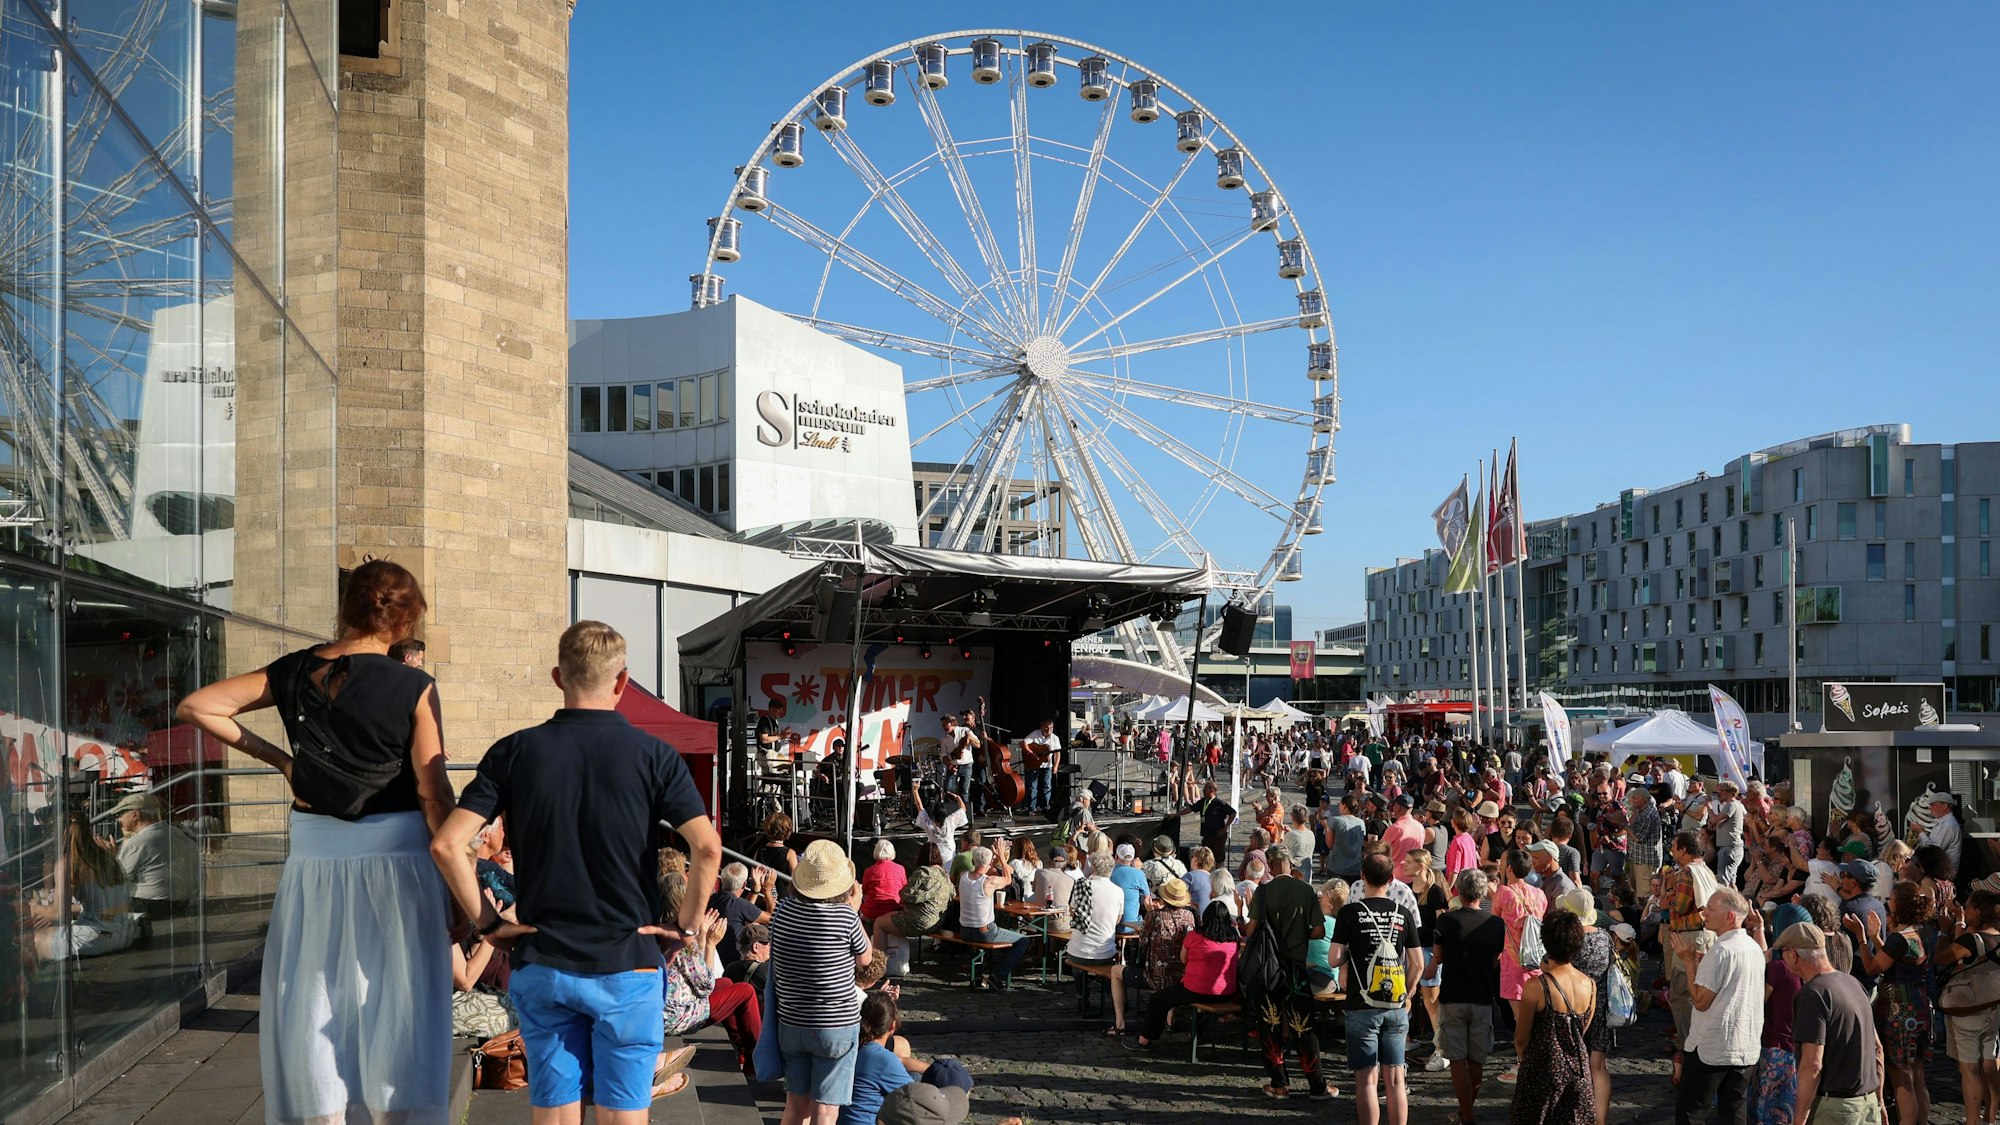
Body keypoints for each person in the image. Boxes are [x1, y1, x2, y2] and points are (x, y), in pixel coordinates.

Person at [177, 558, 458, 1125]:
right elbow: (433, 793)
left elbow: (198, 705)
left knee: (314, 990)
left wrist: (282, 761)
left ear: (347, 607)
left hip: (316, 856)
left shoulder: (294, 669)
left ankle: (320, 1113)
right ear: (405, 619)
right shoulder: (414, 685)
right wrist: (457, 880)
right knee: (396, 995)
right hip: (395, 854)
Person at [430, 619, 721, 1125]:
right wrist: (687, 927)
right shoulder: (655, 756)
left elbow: (448, 843)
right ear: (622, 682)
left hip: (544, 960)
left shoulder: (513, 752)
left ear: (557, 677)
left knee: (556, 1114)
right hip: (627, 963)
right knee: (623, 1115)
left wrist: (489, 926)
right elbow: (708, 849)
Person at [765, 840, 873, 1124]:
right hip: (835, 1025)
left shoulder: (782, 911)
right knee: (825, 1111)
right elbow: (865, 959)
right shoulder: (845, 916)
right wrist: (855, 909)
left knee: (795, 1107)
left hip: (792, 1021)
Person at [1331, 851, 1422, 1124]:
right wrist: (1408, 991)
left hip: (1361, 1003)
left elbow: (1334, 958)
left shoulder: (1349, 913)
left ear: (1362, 878)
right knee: (1395, 1078)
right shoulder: (1403, 913)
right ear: (1392, 879)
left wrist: (1350, 955)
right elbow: (1417, 962)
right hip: (1395, 1004)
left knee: (1367, 1080)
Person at [1776, 921, 1884, 1125]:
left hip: (1835, 1110)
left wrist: (1799, 1119)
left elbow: (1812, 1064)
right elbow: (1877, 1049)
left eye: (1782, 953)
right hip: (1867, 1103)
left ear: (1793, 954)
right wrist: (1879, 1100)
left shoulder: (1812, 994)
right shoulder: (1852, 982)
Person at [1249, 846, 1335, 1101]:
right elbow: (1319, 931)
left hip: (1270, 968)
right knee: (1303, 1027)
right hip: (1297, 967)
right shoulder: (1306, 890)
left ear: (1272, 866)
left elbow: (1251, 930)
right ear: (1289, 863)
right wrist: (1300, 934)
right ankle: (1317, 1085)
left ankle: (1280, 1084)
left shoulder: (1263, 891)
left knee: (1271, 1025)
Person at [659, 873, 761, 1084]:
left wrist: (702, 937)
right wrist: (709, 942)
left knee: (727, 984)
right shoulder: (682, 937)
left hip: (663, 1007)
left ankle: (742, 1049)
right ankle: (755, 1059)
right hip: (676, 1016)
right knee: (745, 991)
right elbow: (705, 985)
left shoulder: (660, 925)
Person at [1675, 888, 1764, 1125]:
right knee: (1734, 1114)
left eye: (1711, 909)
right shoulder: (1754, 947)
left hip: (1713, 1047)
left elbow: (1701, 1001)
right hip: (1744, 1046)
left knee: (1691, 1114)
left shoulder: (1721, 950)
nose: (1704, 913)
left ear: (1730, 917)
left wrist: (1688, 962)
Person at [1855, 881, 1936, 1125]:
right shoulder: (1923, 932)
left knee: (1901, 1078)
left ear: (1899, 904)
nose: (1888, 902)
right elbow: (1898, 958)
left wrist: (1862, 938)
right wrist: (1878, 938)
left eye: (1891, 899)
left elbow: (1873, 967)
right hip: (1920, 1005)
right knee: (1918, 1076)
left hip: (1898, 1009)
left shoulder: (1900, 937)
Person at [1508, 908, 1598, 1125]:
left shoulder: (1537, 986)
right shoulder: (1590, 984)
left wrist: (1524, 1059)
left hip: (1541, 1069)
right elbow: (1581, 1029)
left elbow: (1521, 1037)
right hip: (1578, 1068)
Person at [1435, 869, 1506, 1125]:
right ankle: (1467, 1112)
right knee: (1477, 1059)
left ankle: (1467, 1113)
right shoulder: (1496, 924)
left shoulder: (1446, 921)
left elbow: (1439, 957)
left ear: (1460, 891)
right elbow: (1496, 959)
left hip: (1453, 994)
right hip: (1482, 995)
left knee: (1456, 1058)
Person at [1134, 900, 1240, 1050]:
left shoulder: (1195, 936)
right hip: (1226, 992)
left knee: (1157, 999)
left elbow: (1183, 959)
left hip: (1196, 990)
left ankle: (1144, 1039)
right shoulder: (1234, 939)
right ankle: (1196, 1031)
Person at [1938, 888, 2000, 1125]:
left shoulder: (1971, 940)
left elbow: (1941, 958)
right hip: (1993, 1005)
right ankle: (1991, 1117)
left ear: (1976, 910)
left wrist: (1946, 930)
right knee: (1989, 1059)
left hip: (1969, 1008)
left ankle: (1973, 1120)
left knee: (1969, 1069)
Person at [1553, 889, 1614, 1125]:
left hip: (1571, 1008)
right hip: (1599, 1008)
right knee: (1598, 1067)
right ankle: (1599, 1121)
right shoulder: (1604, 937)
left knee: (1568, 1066)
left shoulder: (1568, 941)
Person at [1662, 830, 1719, 1077]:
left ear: (1684, 850)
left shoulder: (1686, 873)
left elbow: (1679, 905)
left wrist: (1668, 893)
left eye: (1674, 846)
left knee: (1683, 993)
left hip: (1690, 938)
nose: (1672, 851)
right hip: (1705, 936)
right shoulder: (1705, 869)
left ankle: (1688, 1048)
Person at [1749, 904, 1808, 1125]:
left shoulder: (1779, 967)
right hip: (1797, 1050)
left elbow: (1757, 1002)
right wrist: (1759, 929)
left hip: (1773, 1049)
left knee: (1765, 1111)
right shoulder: (1806, 965)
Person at [1494, 849, 1549, 1076]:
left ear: (1509, 869)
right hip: (1535, 958)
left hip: (1513, 958)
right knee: (1537, 1013)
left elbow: (1496, 921)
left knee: (1520, 1017)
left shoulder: (1504, 893)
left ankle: (1524, 1062)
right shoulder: (1540, 894)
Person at [1069, 851, 1131, 1035]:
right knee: (1108, 964)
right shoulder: (1118, 891)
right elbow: (1119, 919)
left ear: (1093, 868)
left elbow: (1072, 912)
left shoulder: (1081, 885)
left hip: (1078, 952)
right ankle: (1113, 996)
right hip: (1105, 953)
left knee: (1076, 956)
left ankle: (1082, 995)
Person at [111, 792, 198, 917]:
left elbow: (117, 879)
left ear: (136, 815)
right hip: (181, 902)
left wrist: (109, 857)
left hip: (149, 904)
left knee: (98, 900)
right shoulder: (176, 833)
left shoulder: (138, 842)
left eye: (121, 814)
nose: (119, 819)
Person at [956, 845, 1030, 991]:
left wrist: (994, 858)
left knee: (976, 943)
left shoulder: (963, 876)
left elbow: (984, 870)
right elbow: (1008, 879)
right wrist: (1002, 856)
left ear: (972, 860)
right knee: (1023, 941)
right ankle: (997, 976)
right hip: (985, 932)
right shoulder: (989, 882)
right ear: (988, 863)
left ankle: (978, 977)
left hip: (965, 930)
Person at [1404, 850, 1451, 1072]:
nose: (1404, 864)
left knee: (1432, 1003)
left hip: (1429, 951)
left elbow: (1442, 928)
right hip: (1410, 950)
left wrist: (1436, 960)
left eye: (1409, 861)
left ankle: (1442, 1049)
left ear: (1421, 866)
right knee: (1407, 997)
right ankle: (1404, 1039)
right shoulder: (1407, 889)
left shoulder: (1435, 892)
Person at [842, 992, 915, 1125]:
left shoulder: (849, 1046)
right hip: (866, 1121)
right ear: (892, 1026)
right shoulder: (882, 1059)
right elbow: (917, 1098)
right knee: (916, 1079)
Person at [1138, 878, 1198, 991]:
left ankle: (1120, 1009)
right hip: (1182, 974)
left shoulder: (1155, 915)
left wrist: (1149, 912)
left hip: (1157, 976)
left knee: (1116, 971)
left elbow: (1142, 940)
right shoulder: (1189, 916)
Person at [711, 863, 774, 967]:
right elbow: (773, 917)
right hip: (730, 963)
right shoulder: (738, 905)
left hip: (714, 958)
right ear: (744, 885)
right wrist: (767, 891)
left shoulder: (712, 898)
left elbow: (746, 912)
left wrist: (755, 889)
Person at [911, 785, 968, 868]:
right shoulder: (951, 821)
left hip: (933, 857)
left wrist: (915, 791)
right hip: (949, 857)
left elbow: (920, 807)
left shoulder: (928, 824)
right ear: (945, 813)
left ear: (933, 814)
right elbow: (963, 809)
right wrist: (958, 798)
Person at [1188, 781, 1236, 868]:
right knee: (1204, 856)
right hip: (1207, 834)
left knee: (1219, 857)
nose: (1203, 790)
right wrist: (1176, 815)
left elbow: (1233, 813)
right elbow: (1191, 808)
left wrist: (1226, 827)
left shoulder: (1219, 803)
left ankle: (1218, 874)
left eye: (1205, 788)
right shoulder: (1203, 802)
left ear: (1212, 790)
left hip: (1218, 835)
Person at [860, 839, 908, 925]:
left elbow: (864, 890)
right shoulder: (900, 869)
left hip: (872, 912)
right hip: (894, 911)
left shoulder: (869, 871)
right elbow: (904, 890)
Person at [1710, 780, 1748, 888]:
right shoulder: (1738, 805)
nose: (1719, 794)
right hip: (1733, 847)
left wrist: (1708, 806)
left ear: (1730, 793)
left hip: (1729, 848)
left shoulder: (1731, 805)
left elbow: (1714, 819)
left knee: (1723, 882)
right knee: (1731, 883)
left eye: (1721, 791)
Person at [1920, 790, 1963, 878]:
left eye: (1933, 804)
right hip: (1937, 872)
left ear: (1944, 805)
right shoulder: (1943, 823)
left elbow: (1934, 850)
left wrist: (1920, 832)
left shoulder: (1948, 825)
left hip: (1942, 874)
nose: (1929, 808)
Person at [1022, 719, 1062, 814]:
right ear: (1042, 727)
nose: (1049, 730)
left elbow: (1057, 753)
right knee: (1032, 786)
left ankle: (1046, 806)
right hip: (1033, 764)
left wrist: (1055, 766)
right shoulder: (1035, 734)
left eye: (1051, 728)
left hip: (1047, 766)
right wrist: (1031, 753)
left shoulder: (1055, 738)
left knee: (1047, 786)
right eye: (1046, 727)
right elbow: (1024, 742)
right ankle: (1032, 808)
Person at [1328, 791, 1368, 882]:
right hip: (1355, 868)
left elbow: (1330, 844)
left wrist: (1326, 828)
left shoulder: (1335, 821)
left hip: (1337, 867)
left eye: (1340, 804)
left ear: (1345, 806)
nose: (1339, 806)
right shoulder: (1361, 822)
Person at [1109, 843, 1149, 927]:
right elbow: (1147, 898)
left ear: (1116, 856)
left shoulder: (1108, 873)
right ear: (1132, 859)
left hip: (1110, 925)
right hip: (1132, 925)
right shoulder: (1139, 874)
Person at [1284, 806, 1319, 885]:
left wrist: (1280, 832)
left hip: (1296, 874)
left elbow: (1281, 849)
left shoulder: (1292, 835)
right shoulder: (1311, 833)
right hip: (1307, 872)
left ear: (1293, 817)